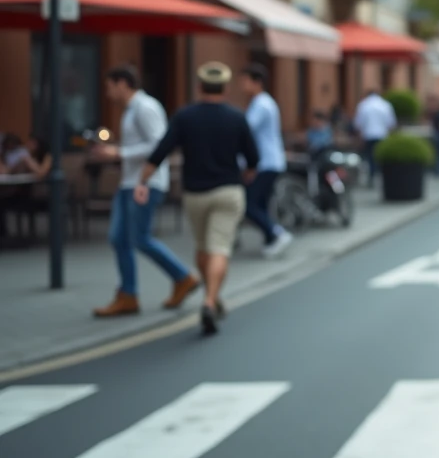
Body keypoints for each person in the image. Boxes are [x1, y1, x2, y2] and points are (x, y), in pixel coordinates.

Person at [135, 62, 259, 336]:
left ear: (199, 87)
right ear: (225, 88)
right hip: (228, 190)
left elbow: (161, 150)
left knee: (203, 248)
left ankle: (211, 297)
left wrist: (143, 181)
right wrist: (249, 173)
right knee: (220, 249)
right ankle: (210, 300)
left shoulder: (185, 116)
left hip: (195, 194)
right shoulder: (237, 117)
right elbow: (253, 157)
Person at [91, 66, 200, 318]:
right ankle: (128, 294)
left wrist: (119, 152)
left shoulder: (145, 107)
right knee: (119, 239)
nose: (108, 92)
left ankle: (182, 276)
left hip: (144, 183)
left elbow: (158, 143)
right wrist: (116, 151)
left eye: (110, 86)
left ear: (122, 84)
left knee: (139, 238)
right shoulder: (132, 110)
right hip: (130, 182)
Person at [240, 64, 293, 259]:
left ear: (257, 82)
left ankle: (276, 233)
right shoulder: (262, 102)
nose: (242, 85)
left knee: (249, 204)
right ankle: (271, 238)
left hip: (265, 162)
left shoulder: (261, 104)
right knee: (259, 203)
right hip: (269, 161)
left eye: (245, 81)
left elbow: (246, 130)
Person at [353, 89, 396, 186]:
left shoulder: (363, 105)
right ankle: (381, 176)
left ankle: (372, 176)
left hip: (368, 135)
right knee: (380, 157)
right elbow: (391, 123)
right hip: (382, 135)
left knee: (370, 157)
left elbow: (358, 123)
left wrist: (359, 136)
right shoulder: (385, 105)